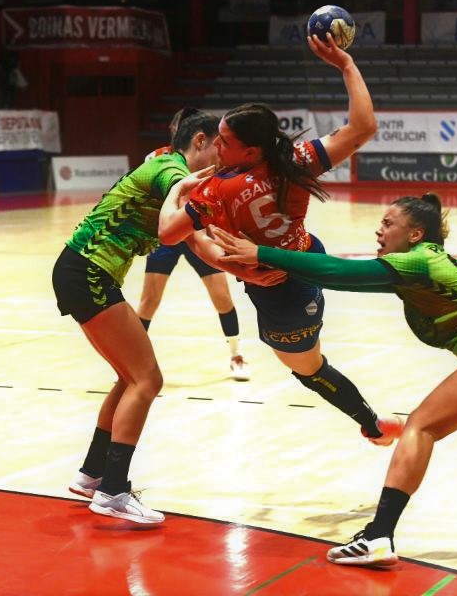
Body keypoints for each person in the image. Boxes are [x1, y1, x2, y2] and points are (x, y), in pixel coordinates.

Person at [210, 193, 457, 567]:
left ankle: (378, 536)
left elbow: (337, 272)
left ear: (415, 234)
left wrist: (261, 253)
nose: (379, 230)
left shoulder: (419, 260)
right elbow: (342, 278)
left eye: (388, 223)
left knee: (423, 426)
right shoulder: (416, 271)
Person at [158, 33, 401, 447]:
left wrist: (177, 191)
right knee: (311, 351)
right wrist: (346, 65)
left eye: (225, 141)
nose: (216, 144)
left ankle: (372, 426)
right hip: (306, 255)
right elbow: (364, 128)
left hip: (279, 292)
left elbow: (169, 233)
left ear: (251, 152)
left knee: (311, 371)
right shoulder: (295, 159)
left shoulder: (217, 190)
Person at [53, 110, 282, 525]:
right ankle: (113, 490)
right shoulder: (169, 169)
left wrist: (246, 270)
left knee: (129, 378)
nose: (223, 152)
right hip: (87, 271)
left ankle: (92, 474)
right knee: (147, 380)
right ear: (199, 141)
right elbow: (187, 214)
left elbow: (196, 241)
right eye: (218, 144)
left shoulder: (176, 172)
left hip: (82, 271)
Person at [139, 109, 248, 381]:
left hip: (196, 230)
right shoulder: (157, 158)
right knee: (149, 301)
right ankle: (132, 362)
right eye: (176, 125)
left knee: (222, 297)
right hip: (167, 234)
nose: (177, 129)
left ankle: (236, 355)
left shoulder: (210, 157)